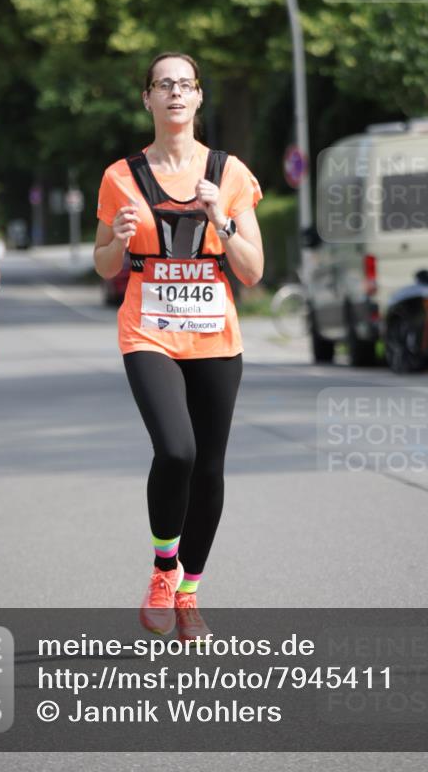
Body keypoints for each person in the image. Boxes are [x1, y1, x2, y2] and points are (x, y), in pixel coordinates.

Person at [94, 53, 263, 640]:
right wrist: (114, 244)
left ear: (198, 98)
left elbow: (253, 271)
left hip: (216, 336)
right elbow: (103, 263)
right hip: (148, 331)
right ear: (147, 99)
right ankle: (163, 570)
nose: (174, 94)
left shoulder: (230, 173)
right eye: (162, 85)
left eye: (184, 85)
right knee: (177, 451)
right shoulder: (120, 176)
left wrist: (225, 220)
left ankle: (189, 593)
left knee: (210, 468)